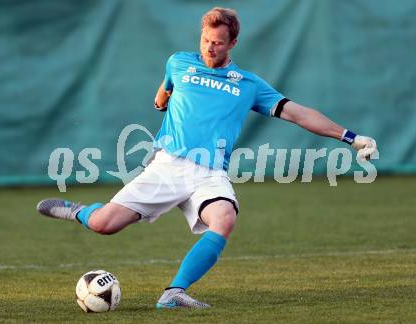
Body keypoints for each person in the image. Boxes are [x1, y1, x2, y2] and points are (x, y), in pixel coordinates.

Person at [37, 7, 377, 309]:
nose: (209, 47)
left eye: (216, 42)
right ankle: (78, 212)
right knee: (103, 225)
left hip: (209, 173)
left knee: (224, 218)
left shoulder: (248, 84)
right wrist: (161, 99)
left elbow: (300, 114)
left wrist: (351, 137)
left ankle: (173, 293)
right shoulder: (179, 61)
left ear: (232, 44)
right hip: (168, 164)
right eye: (205, 39)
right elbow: (165, 89)